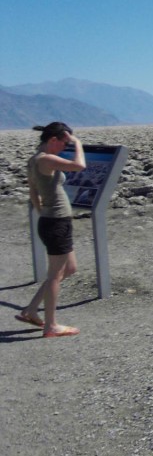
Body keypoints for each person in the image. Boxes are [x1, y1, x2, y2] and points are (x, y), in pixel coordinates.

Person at [16, 122, 87, 338]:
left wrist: (42, 211)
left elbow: (33, 191)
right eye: (63, 144)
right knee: (55, 274)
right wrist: (78, 144)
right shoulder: (46, 158)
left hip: (52, 220)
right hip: (56, 222)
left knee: (70, 268)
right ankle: (51, 325)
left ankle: (31, 309)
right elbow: (79, 166)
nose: (64, 148)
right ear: (53, 140)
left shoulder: (33, 160)